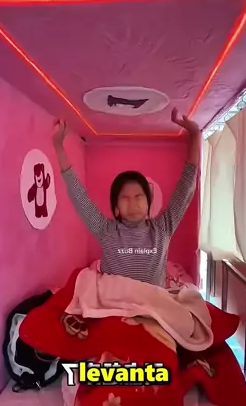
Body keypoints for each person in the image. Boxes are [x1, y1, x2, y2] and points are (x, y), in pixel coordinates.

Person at [52, 109, 201, 287]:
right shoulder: (106, 231)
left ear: (148, 204)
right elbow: (78, 196)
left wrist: (195, 136)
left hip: (152, 301)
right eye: (125, 198)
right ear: (116, 208)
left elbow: (185, 188)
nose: (133, 203)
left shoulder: (162, 228)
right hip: (114, 300)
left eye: (139, 196)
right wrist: (59, 147)